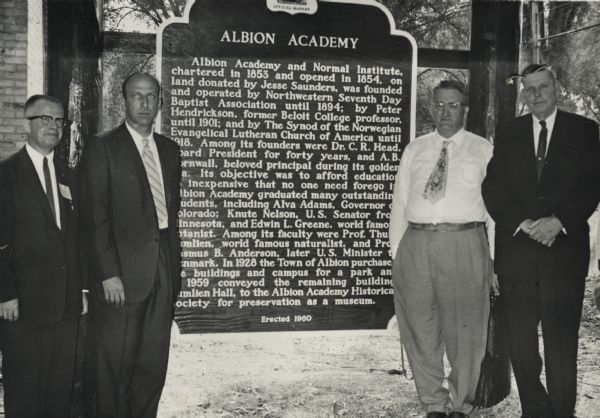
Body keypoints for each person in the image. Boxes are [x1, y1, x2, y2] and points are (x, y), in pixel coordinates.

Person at [482, 63, 600, 418]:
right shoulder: (508, 131)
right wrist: (523, 223)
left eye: (542, 86)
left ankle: (562, 413)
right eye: (528, 88)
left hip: (563, 254)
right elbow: (493, 187)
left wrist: (560, 221)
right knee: (521, 345)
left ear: (557, 87)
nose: (535, 94)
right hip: (517, 254)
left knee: (561, 343)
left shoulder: (584, 130)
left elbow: (592, 184)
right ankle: (535, 411)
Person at [389, 80, 494, 418]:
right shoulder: (415, 149)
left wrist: (496, 263)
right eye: (439, 105)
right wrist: (397, 255)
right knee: (420, 328)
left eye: (453, 105)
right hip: (416, 245)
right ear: (430, 108)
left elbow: (496, 212)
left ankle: (460, 405)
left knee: (465, 330)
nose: (445, 112)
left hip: (464, 242)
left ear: (464, 109)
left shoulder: (484, 150)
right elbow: (399, 204)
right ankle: (433, 404)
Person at [79, 71, 181, 418]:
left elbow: (170, 215)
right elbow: (94, 218)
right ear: (124, 100)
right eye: (136, 95)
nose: (144, 103)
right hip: (121, 273)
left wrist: (172, 272)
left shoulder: (169, 150)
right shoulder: (103, 146)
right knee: (114, 367)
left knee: (152, 365)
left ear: (159, 102)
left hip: (163, 265)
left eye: (151, 96)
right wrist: (108, 273)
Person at [0, 94, 87, 417]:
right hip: (22, 305)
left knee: (58, 391)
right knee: (24, 393)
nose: (53, 126)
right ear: (27, 124)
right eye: (45, 119)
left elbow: (76, 238)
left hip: (65, 305)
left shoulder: (68, 175)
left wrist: (82, 290)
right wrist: (5, 294)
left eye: (59, 120)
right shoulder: (6, 174)